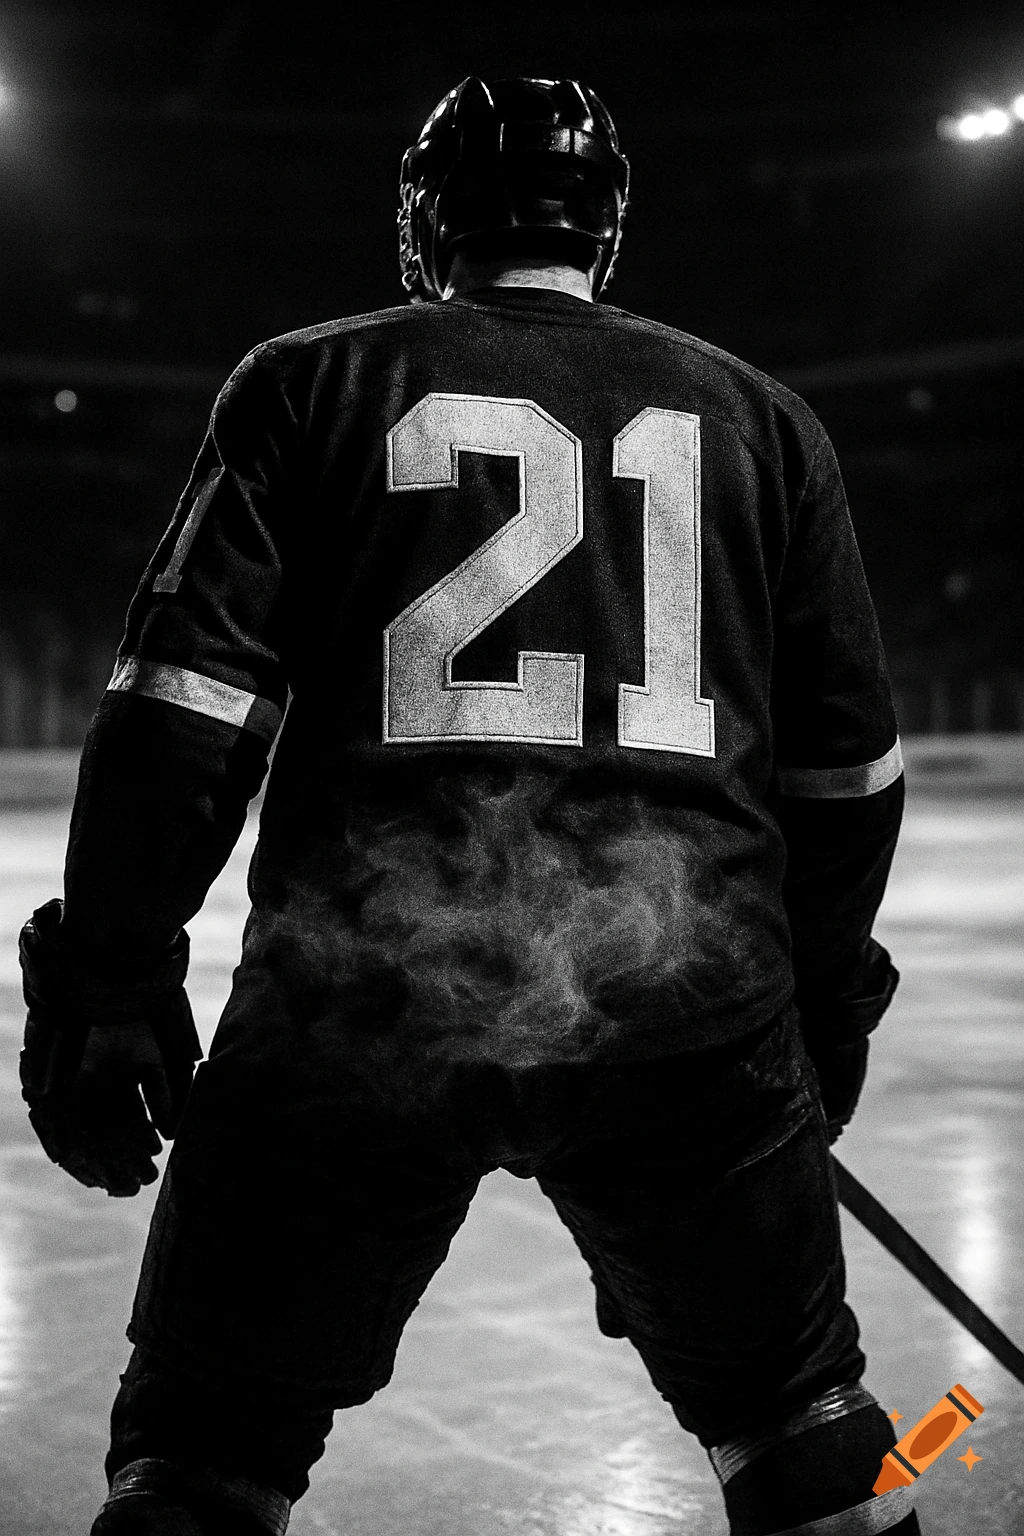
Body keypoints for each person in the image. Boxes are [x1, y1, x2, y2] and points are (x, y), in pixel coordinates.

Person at [19, 77, 914, 1536]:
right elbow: (847, 779)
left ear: (427, 217)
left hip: (355, 1015)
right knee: (803, 1424)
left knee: (203, 1453)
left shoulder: (308, 380)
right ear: (607, 225)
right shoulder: (764, 419)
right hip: (684, 1015)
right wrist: (814, 1008)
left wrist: (111, 971)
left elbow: (182, 711)